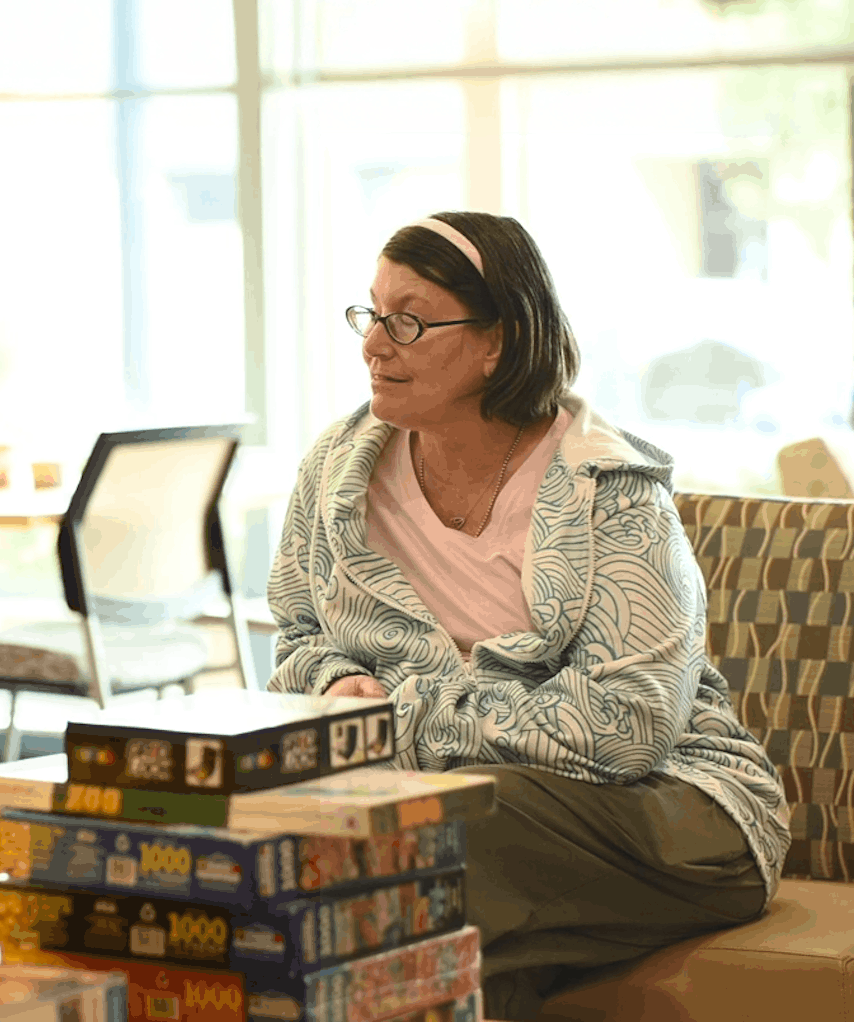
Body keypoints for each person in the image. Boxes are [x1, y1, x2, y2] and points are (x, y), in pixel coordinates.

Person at [265, 212, 789, 1019]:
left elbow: (628, 725)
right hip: (455, 804)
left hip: (677, 813)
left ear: (497, 342)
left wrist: (396, 722)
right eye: (371, 313)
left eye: (408, 320)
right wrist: (337, 684)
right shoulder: (336, 471)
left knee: (452, 829)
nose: (374, 343)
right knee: (451, 928)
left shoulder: (610, 489)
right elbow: (299, 634)